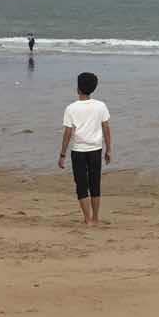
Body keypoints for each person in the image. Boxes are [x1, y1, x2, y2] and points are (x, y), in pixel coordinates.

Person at [57, 71, 112, 226]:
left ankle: (87, 219)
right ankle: (95, 218)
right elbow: (106, 128)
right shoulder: (101, 106)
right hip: (96, 149)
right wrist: (108, 149)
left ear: (78, 88)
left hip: (78, 151)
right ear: (93, 88)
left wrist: (62, 154)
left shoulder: (71, 108)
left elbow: (67, 133)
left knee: (81, 185)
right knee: (95, 183)